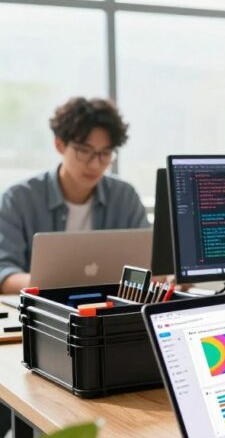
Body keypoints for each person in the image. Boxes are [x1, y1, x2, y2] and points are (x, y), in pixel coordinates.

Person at [0, 97, 147, 294]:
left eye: (105, 153)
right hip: (42, 311)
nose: (95, 164)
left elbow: (147, 266)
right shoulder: (19, 199)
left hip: (109, 308)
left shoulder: (125, 197)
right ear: (60, 145)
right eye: (84, 151)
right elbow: (4, 274)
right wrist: (53, 285)